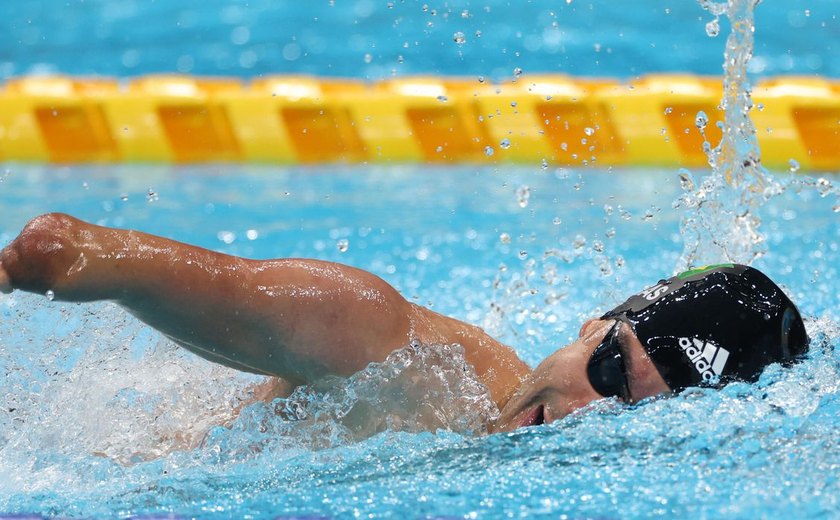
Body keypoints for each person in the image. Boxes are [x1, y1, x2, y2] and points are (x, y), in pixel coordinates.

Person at [0, 213, 809, 433]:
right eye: (609, 371)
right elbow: (71, 250)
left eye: (634, 415)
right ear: (595, 322)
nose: (586, 414)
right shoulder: (377, 342)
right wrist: (42, 264)